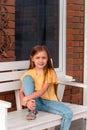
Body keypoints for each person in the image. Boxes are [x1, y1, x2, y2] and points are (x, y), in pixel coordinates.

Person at [19, 45, 73, 130]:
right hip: (35, 102)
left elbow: (43, 90)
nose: (41, 60)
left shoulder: (49, 72)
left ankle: (33, 108)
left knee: (68, 113)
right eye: (38, 57)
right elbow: (21, 91)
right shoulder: (28, 73)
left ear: (47, 59)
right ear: (32, 59)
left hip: (49, 102)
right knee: (27, 78)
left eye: (44, 58)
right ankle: (32, 110)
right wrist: (25, 100)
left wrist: (26, 99)